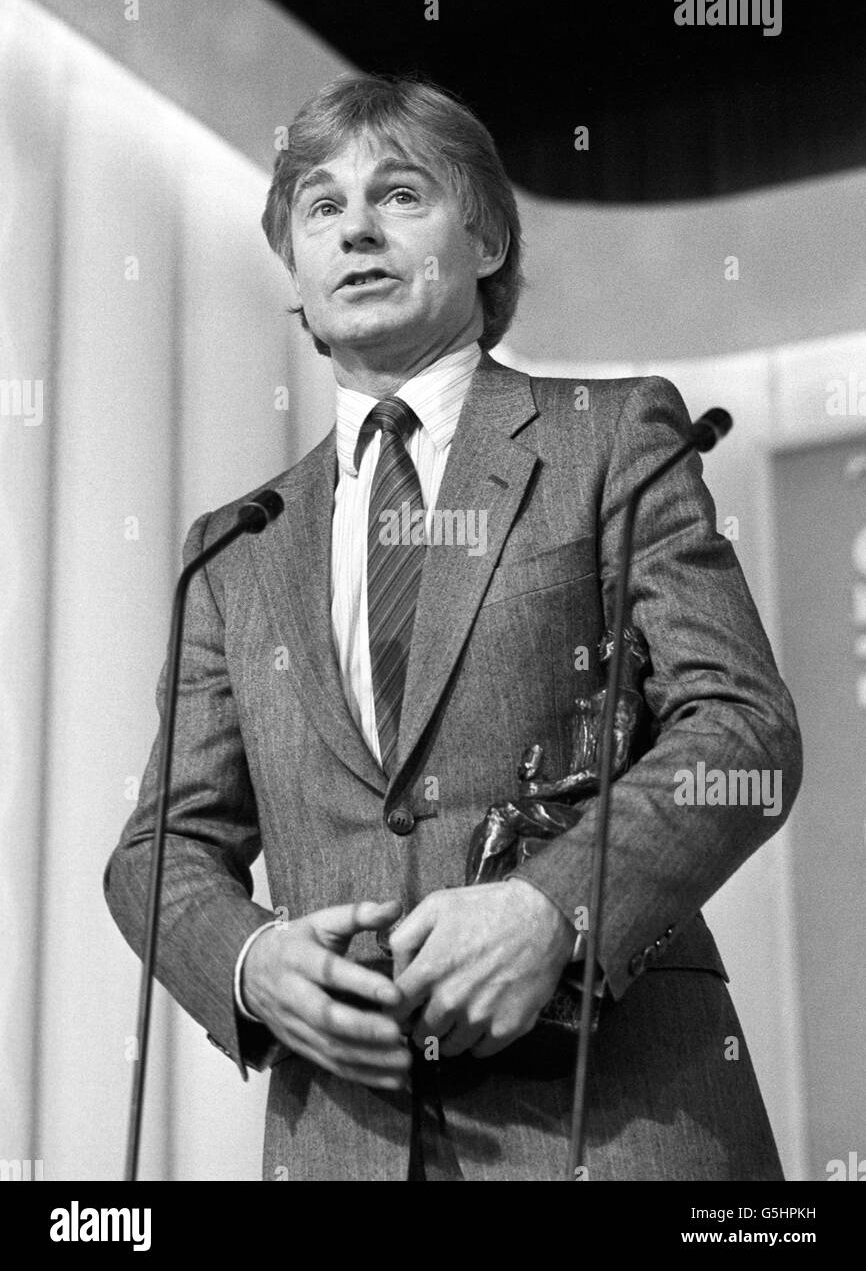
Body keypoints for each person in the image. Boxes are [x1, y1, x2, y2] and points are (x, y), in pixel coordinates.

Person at [105, 73, 802, 1181]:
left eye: (400, 194)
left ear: (483, 241)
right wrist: (249, 963)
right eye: (321, 208)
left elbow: (743, 732)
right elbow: (161, 850)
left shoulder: (611, 438)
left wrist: (551, 911)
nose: (358, 230)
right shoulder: (237, 547)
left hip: (612, 1120)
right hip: (343, 1136)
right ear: (293, 260)